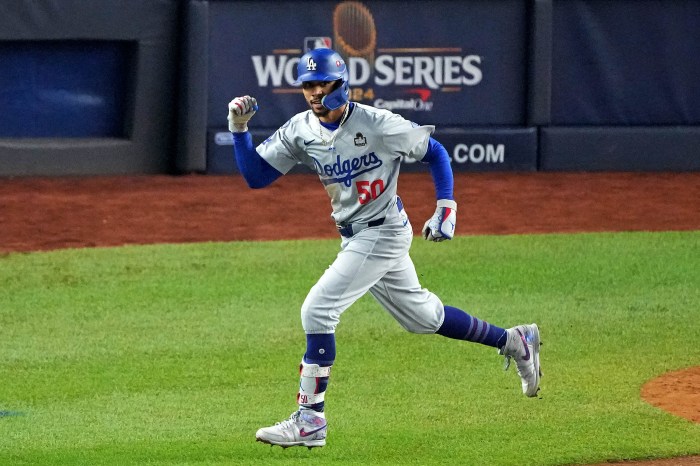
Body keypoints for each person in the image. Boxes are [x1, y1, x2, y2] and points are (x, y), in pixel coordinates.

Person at [228, 47, 541, 449]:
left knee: (317, 309)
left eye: (321, 83)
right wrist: (239, 130)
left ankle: (310, 419)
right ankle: (515, 340)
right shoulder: (300, 130)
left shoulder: (378, 124)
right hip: (354, 234)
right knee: (423, 318)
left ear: (341, 85)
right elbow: (255, 176)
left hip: (383, 232)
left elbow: (436, 153)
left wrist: (446, 206)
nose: (313, 92)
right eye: (308, 85)